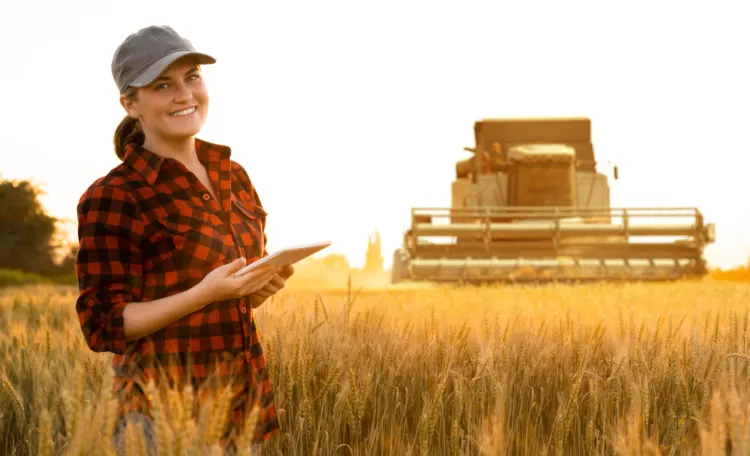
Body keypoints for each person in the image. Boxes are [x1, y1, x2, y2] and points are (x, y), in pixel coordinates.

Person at [74, 25, 291, 455]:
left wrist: (258, 287)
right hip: (157, 420)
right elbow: (102, 325)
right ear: (130, 103)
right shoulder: (115, 195)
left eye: (191, 77)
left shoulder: (233, 175)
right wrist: (205, 294)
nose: (184, 94)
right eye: (162, 85)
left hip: (240, 407)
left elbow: (232, 290)